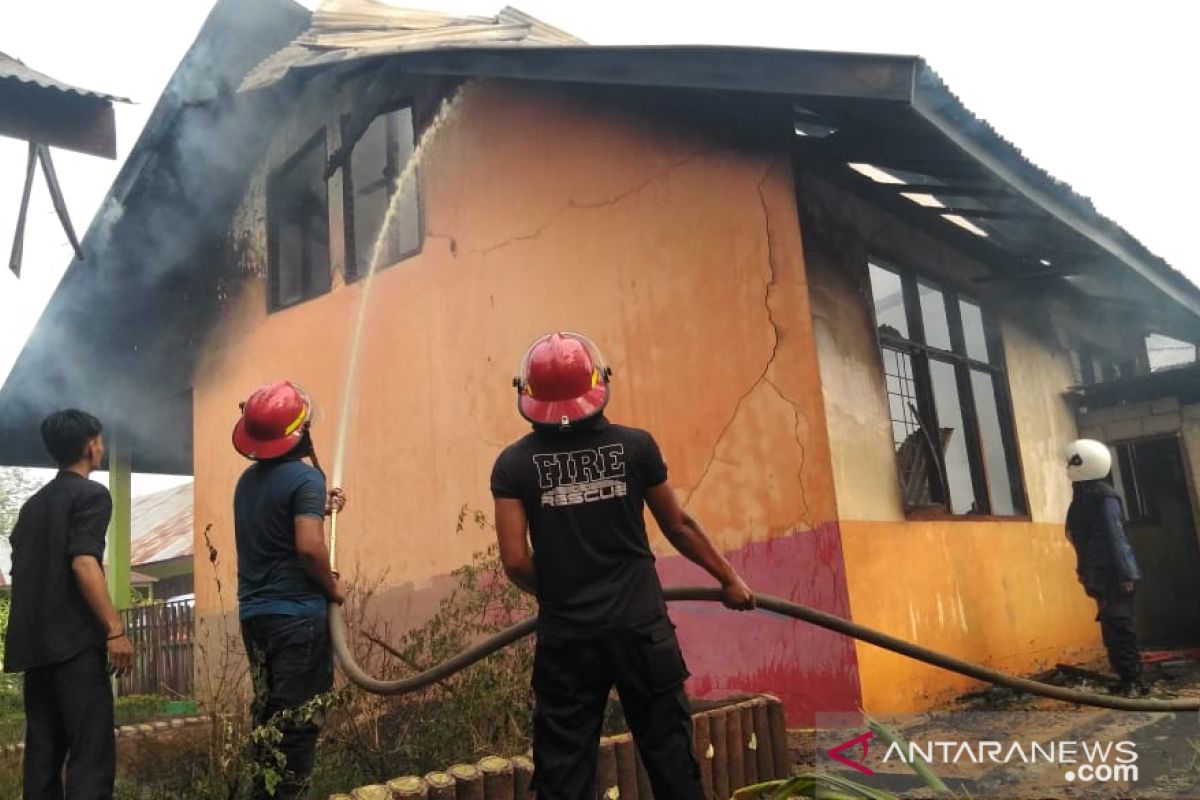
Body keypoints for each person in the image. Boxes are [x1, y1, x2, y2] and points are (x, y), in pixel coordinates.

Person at [490, 332, 756, 800]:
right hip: (641, 630)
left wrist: (563, 595)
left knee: (563, 775)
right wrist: (729, 579)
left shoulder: (514, 464)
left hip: (567, 641)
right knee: (671, 761)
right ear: (598, 381)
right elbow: (679, 526)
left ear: (527, 392)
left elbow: (514, 561)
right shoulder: (636, 447)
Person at [4, 409, 134, 800]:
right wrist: (115, 630)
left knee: (42, 759)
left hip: (35, 652)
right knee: (91, 756)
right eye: (100, 439)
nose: (102, 446)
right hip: (75, 649)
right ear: (90, 446)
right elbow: (83, 562)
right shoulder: (92, 495)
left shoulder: (32, 507)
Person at [232, 381, 347, 799]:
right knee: (298, 727)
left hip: (255, 618)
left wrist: (318, 506)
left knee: (269, 719)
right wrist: (332, 587)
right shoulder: (305, 478)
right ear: (301, 431)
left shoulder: (247, 482)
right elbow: (308, 547)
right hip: (298, 621)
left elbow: (276, 522)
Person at [1064, 438, 1146, 698]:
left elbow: (1115, 536)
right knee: (1113, 626)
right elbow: (1078, 536)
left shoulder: (1100, 497)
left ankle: (1132, 681)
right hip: (1100, 573)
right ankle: (1128, 679)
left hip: (1110, 573)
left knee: (1119, 626)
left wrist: (1126, 573)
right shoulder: (1085, 497)